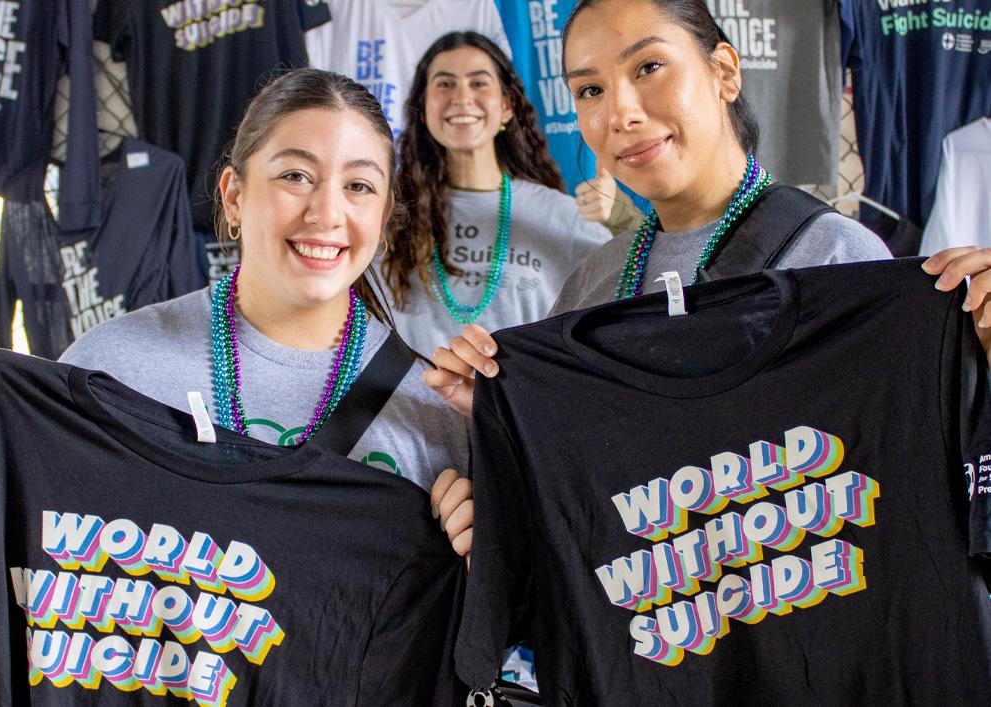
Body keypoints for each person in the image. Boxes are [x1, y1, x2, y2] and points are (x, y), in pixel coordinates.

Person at [0, 69, 474, 559]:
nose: (326, 212)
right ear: (233, 195)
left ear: (382, 215)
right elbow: (8, 543)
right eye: (295, 176)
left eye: (358, 186)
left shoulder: (433, 415)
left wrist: (488, 551)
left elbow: (497, 628)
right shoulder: (109, 366)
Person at [421, 0, 991, 416]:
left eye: (648, 67)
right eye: (590, 90)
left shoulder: (838, 256)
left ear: (724, 70)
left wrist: (977, 357)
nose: (622, 113)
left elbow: (905, 451)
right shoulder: (590, 286)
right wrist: (501, 413)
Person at [383, 31, 633, 358]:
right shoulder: (390, 216)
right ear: (423, 107)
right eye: (444, 84)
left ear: (506, 106)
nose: (461, 97)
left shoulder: (559, 216)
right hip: (412, 408)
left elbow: (648, 280)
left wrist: (621, 217)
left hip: (525, 406)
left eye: (479, 83)